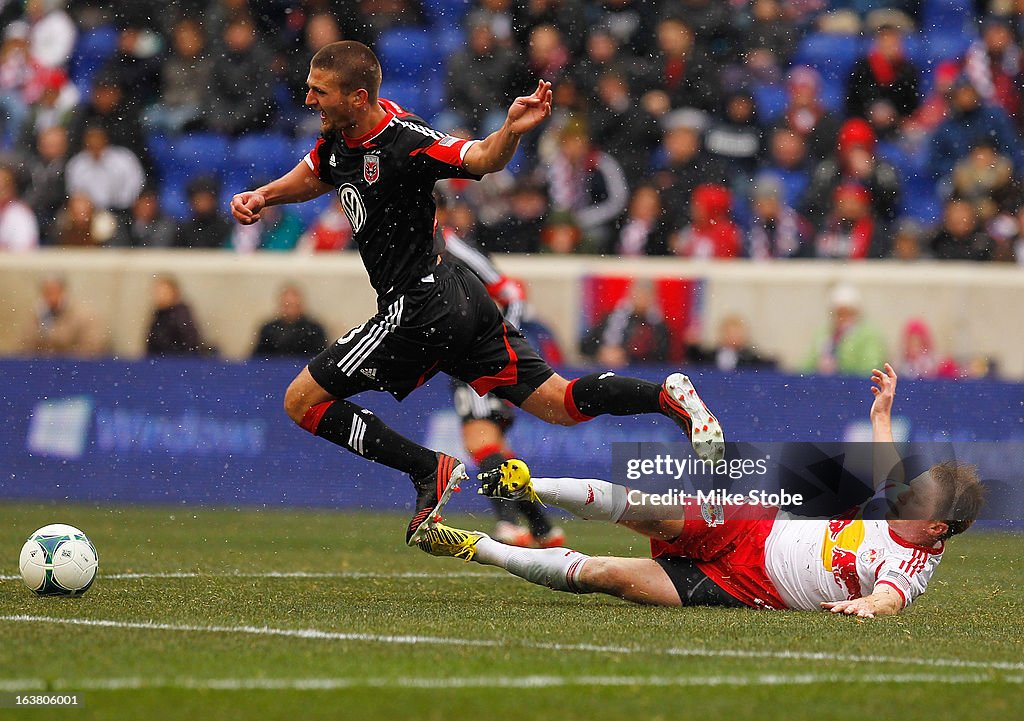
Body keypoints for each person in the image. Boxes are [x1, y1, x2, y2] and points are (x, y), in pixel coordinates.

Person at [230, 41, 724, 547]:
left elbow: (480, 158)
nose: (308, 99)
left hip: (418, 307)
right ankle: (667, 397)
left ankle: (429, 470)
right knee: (560, 404)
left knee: (302, 401)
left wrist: (509, 129)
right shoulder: (339, 139)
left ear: (357, 98)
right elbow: (317, 172)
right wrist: (265, 195)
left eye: (319, 91)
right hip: (458, 297)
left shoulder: (404, 141)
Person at [417, 365, 985, 617]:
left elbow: (891, 598)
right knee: (650, 515)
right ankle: (528, 484)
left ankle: (470, 546)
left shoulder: (911, 567)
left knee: (603, 577)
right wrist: (882, 411)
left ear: (938, 527)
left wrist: (866, 605)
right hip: (756, 525)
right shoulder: (901, 498)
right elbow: (884, 459)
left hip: (741, 587)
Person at [441, 215, 565, 549]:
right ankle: (543, 529)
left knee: (480, 439)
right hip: (461, 358)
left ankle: (508, 523)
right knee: (495, 447)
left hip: (476, 356)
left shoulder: (453, 247)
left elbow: (512, 293)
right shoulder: (431, 248)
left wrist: (495, 343)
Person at [801, 283, 887, 376]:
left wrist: (840, 364)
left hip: (853, 385)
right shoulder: (824, 332)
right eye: (839, 313)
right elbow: (806, 364)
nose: (842, 318)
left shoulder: (868, 334)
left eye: (847, 313)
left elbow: (870, 367)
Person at [20, 274, 106, 357]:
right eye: (47, 293)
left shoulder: (84, 315)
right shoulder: (37, 315)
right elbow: (25, 346)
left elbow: (92, 347)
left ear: (64, 292)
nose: (52, 298)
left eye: (55, 292)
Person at [251, 284, 327, 359]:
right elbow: (257, 359)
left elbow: (321, 359)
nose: (290, 310)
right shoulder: (268, 330)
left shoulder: (314, 330)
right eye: (287, 306)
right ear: (280, 305)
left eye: (293, 305)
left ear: (301, 305)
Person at [145, 274, 202, 356]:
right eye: (157, 292)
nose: (160, 296)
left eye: (164, 292)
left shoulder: (180, 315)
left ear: (174, 293)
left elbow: (189, 344)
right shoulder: (158, 314)